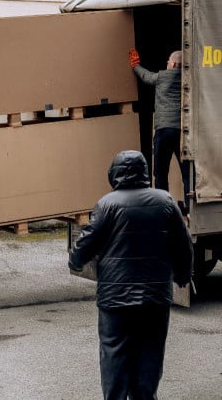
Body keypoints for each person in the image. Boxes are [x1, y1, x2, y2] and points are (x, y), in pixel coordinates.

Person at [69, 150, 193, 400]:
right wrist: (182, 274)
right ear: (145, 172)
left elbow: (85, 244)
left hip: (115, 300)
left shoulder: (107, 204)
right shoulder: (165, 201)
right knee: (149, 354)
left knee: (114, 354)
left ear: (114, 174)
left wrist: (76, 261)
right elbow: (183, 246)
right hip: (154, 298)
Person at [129, 48, 190, 216]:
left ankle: (163, 210)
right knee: (186, 172)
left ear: (175, 64)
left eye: (169, 61)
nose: (167, 63)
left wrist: (135, 65)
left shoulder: (163, 76)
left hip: (163, 130)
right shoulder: (188, 78)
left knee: (161, 172)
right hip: (182, 132)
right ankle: (191, 209)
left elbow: (146, 77)